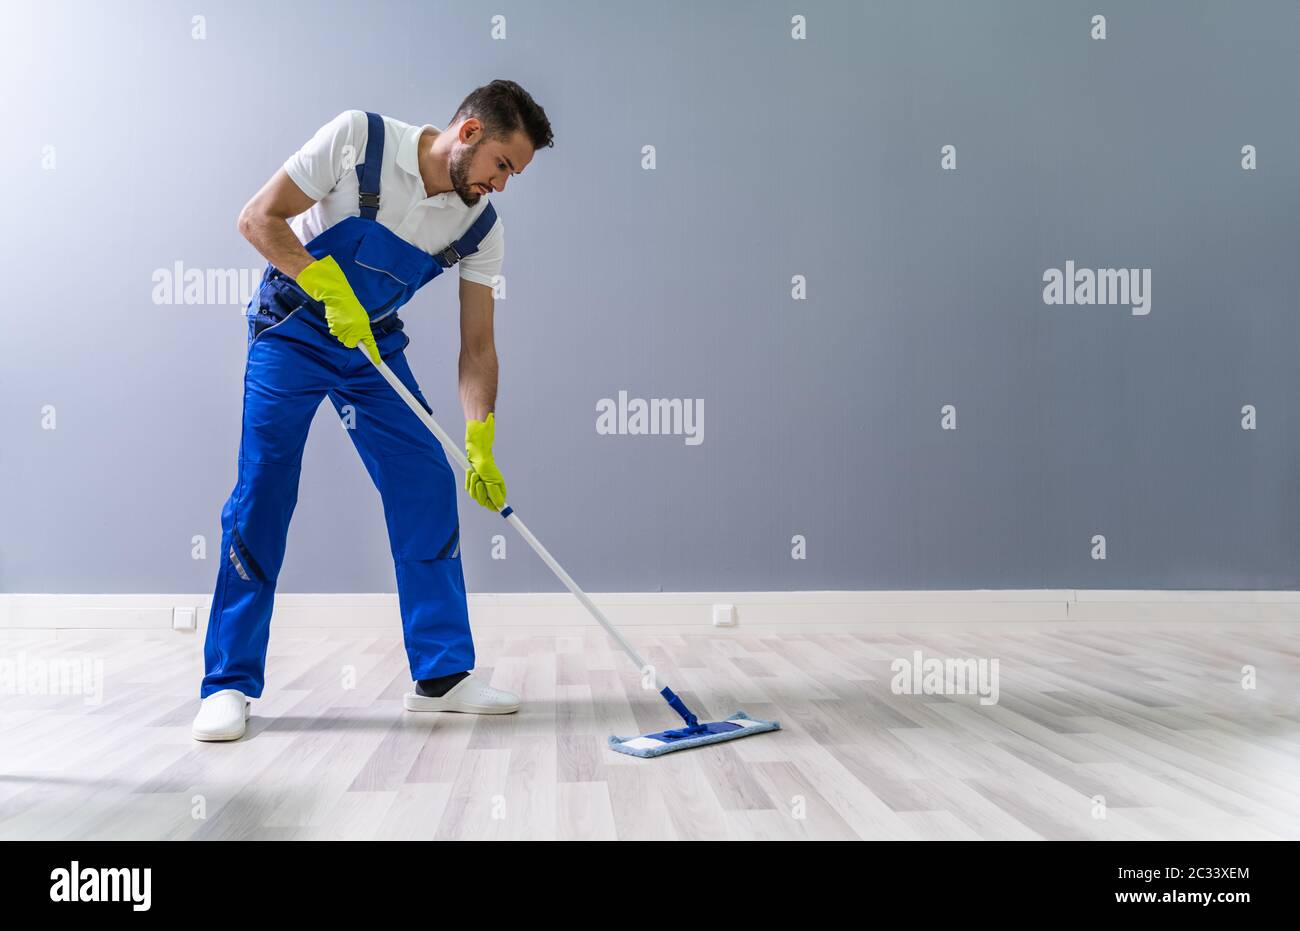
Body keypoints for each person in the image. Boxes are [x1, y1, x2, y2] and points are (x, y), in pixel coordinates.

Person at [192, 81, 554, 741]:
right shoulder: (359, 138)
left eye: (514, 175)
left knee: (426, 479)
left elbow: (478, 349)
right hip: (295, 325)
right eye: (503, 165)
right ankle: (228, 684)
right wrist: (324, 284)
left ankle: (441, 676)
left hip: (372, 344)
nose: (502, 184)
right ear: (469, 133)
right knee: (264, 486)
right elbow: (258, 218)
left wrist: (481, 438)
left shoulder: (480, 227)